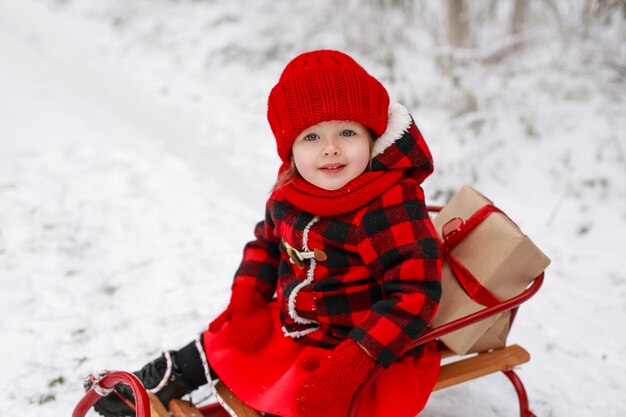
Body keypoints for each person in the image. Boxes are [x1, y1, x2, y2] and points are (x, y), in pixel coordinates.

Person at [93, 49, 442, 417]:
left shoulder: (389, 203)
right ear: (289, 148)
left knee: (305, 401)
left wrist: (352, 362)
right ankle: (168, 380)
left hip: (364, 348)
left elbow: (415, 295)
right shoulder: (292, 187)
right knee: (226, 337)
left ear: (371, 137)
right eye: (311, 137)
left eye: (347, 131)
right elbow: (266, 242)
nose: (330, 148)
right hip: (300, 324)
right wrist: (247, 297)